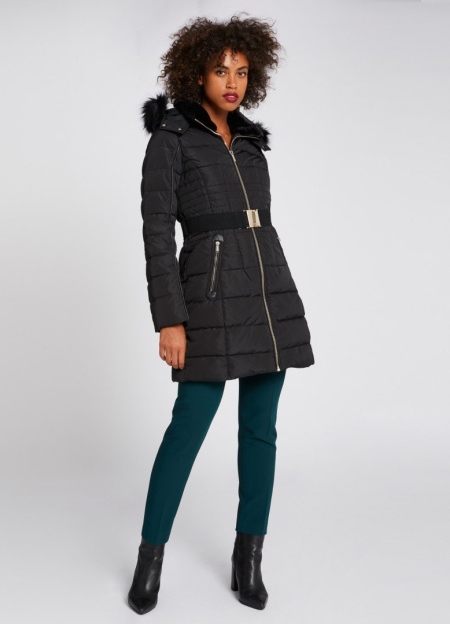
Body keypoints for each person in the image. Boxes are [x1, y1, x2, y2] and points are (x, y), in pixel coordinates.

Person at [128, 13, 315, 615]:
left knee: (261, 430)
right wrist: (169, 318)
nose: (232, 82)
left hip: (267, 295)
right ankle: (150, 557)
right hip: (206, 300)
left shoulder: (253, 144)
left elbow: (258, 228)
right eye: (220, 70)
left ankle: (248, 557)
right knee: (187, 428)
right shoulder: (172, 138)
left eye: (242, 71)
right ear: (197, 73)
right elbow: (158, 233)